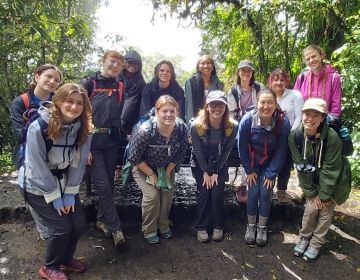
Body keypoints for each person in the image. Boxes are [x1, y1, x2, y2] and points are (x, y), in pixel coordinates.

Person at [17, 83, 92, 280]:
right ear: (58, 101)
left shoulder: (84, 128)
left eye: (79, 103)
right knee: (61, 228)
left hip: (64, 181)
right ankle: (49, 266)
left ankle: (66, 260)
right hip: (35, 185)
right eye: (69, 101)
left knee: (78, 224)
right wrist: (54, 196)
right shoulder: (38, 127)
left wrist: (69, 193)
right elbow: (35, 167)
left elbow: (78, 162)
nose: (74, 107)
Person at [289, 98, 351, 262]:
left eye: (316, 115)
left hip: (334, 182)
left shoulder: (332, 137)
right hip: (311, 181)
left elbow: (331, 169)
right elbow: (300, 166)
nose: (310, 118)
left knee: (325, 210)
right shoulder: (295, 136)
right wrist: (310, 193)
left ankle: (316, 243)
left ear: (323, 118)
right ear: (302, 115)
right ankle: (304, 238)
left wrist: (324, 195)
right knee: (310, 209)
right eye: (307, 114)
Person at [10, 63, 63, 240]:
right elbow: (20, 132)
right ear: (37, 77)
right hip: (26, 153)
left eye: (56, 80)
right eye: (48, 76)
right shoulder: (21, 102)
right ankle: (45, 232)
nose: (52, 81)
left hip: (53, 154)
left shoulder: (58, 102)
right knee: (34, 192)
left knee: (54, 187)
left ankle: (57, 224)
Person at [128, 95, 188, 244]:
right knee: (152, 196)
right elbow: (134, 157)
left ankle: (163, 225)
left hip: (166, 167)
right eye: (164, 111)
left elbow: (181, 153)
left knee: (167, 193)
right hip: (143, 167)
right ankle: (149, 229)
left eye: (172, 111)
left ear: (177, 112)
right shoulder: (145, 130)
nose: (168, 115)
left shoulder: (181, 128)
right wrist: (151, 174)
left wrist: (167, 172)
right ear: (157, 112)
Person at [81, 50, 126, 247]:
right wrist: (84, 147)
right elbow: (78, 114)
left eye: (119, 64)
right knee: (103, 185)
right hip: (91, 142)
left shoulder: (120, 86)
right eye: (112, 62)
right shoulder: (88, 83)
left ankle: (101, 220)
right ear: (103, 61)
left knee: (109, 182)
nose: (115, 66)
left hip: (111, 142)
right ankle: (116, 229)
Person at [238, 89, 290, 246]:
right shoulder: (247, 120)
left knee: (266, 193)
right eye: (262, 102)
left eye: (270, 102)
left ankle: (262, 227)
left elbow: (282, 150)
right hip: (253, 162)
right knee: (253, 193)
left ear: (275, 104)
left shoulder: (283, 122)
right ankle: (251, 225)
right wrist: (249, 169)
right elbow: (241, 146)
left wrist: (272, 173)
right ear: (257, 103)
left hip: (271, 162)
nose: (266, 106)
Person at [190, 91, 238, 243]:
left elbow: (227, 151)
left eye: (220, 105)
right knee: (204, 193)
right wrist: (206, 171)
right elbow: (197, 150)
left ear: (225, 107)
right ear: (207, 106)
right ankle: (201, 226)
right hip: (200, 163)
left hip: (220, 163)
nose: (217, 108)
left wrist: (216, 171)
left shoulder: (232, 126)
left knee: (217, 194)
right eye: (213, 104)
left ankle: (218, 225)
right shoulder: (196, 126)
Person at [227, 59, 264, 203]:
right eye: (243, 70)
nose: (245, 73)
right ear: (239, 72)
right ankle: (244, 184)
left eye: (248, 70)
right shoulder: (234, 91)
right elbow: (229, 113)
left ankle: (254, 181)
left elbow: (265, 106)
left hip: (258, 123)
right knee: (243, 144)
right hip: (239, 123)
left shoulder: (259, 88)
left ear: (252, 72)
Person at [268, 68, 304, 203]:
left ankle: (281, 191)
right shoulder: (268, 95)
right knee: (270, 162)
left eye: (282, 80)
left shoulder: (295, 95)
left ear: (286, 81)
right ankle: (268, 189)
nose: (278, 82)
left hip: (290, 136)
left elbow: (299, 117)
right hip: (271, 136)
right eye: (275, 79)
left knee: (285, 164)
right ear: (270, 81)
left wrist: (290, 135)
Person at [293, 44, 342, 118]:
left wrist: (327, 124)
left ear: (321, 55)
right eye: (308, 59)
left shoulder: (334, 77)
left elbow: (335, 108)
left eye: (314, 56)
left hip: (325, 121)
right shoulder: (302, 77)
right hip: (304, 121)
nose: (311, 60)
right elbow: (295, 102)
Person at [184, 55, 224, 124]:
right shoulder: (190, 82)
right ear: (198, 67)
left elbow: (220, 104)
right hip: (195, 121)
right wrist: (189, 124)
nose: (205, 66)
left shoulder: (219, 84)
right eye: (202, 63)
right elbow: (189, 105)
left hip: (213, 121)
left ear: (212, 66)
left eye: (208, 63)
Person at [120, 50, 146, 137]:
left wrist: (120, 126)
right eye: (130, 62)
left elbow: (130, 104)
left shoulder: (140, 82)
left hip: (130, 119)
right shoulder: (117, 76)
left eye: (136, 63)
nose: (133, 65)